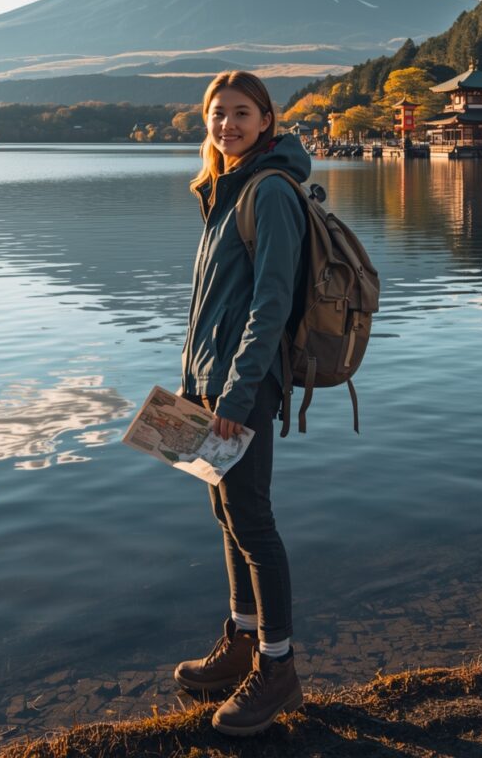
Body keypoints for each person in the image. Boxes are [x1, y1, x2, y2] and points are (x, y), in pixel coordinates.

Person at [174, 69, 310, 736]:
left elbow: (270, 304)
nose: (226, 125)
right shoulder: (220, 191)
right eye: (217, 114)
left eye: (241, 114)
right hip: (211, 385)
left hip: (245, 388)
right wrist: (191, 381)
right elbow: (212, 307)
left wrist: (234, 390)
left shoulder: (271, 192)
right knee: (225, 514)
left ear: (266, 121)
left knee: (252, 519)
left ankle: (277, 667)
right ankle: (241, 642)